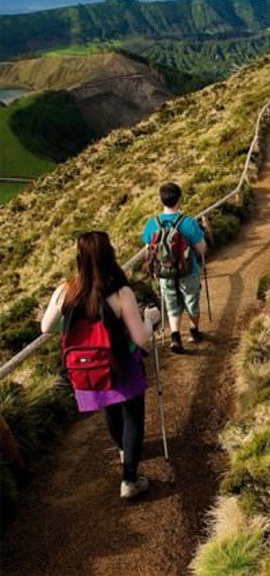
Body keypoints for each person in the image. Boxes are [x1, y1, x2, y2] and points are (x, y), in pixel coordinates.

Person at [41, 231, 160, 499]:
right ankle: (129, 479)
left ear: (79, 258)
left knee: (110, 409)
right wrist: (150, 320)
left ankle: (123, 451)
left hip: (88, 366)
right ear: (110, 255)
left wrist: (74, 327)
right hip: (122, 364)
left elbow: (45, 327)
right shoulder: (120, 292)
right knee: (133, 416)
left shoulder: (66, 290)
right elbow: (142, 339)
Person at [142, 182, 208, 354]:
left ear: (161, 200)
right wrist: (205, 231)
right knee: (191, 301)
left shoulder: (152, 224)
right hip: (188, 271)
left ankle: (175, 336)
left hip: (164, 273)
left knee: (172, 304)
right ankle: (194, 332)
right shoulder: (189, 222)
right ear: (180, 198)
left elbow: (149, 250)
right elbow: (202, 249)